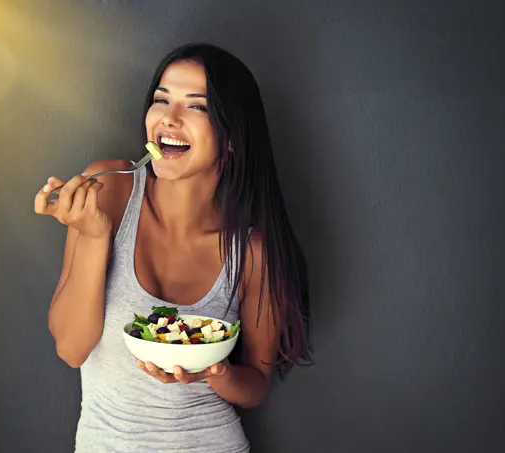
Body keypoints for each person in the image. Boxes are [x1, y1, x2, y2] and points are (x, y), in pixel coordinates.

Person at [34, 43, 312, 452]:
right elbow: (71, 349)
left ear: (232, 136)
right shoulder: (108, 188)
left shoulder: (252, 251)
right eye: (161, 99)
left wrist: (215, 372)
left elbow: (254, 386)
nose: (169, 117)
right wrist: (94, 237)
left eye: (195, 106)